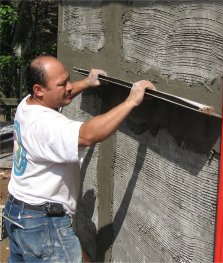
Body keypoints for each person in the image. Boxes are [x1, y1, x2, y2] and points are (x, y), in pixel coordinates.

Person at [3, 55, 156, 262]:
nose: (69, 86)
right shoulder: (45, 125)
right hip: (41, 224)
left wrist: (87, 82)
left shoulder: (27, 105)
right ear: (39, 89)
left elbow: (59, 95)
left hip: (18, 214)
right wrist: (131, 101)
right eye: (62, 84)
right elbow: (87, 135)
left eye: (68, 80)